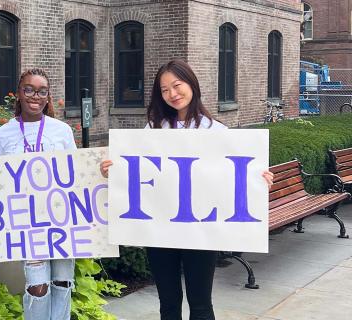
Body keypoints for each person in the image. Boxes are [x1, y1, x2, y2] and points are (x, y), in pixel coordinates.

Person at [100, 59, 274, 320]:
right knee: (168, 303)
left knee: (201, 303)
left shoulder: (217, 131)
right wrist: (113, 170)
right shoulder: (154, 129)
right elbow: (138, 172)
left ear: (192, 84)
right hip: (160, 229)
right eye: (164, 90)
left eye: (177, 85)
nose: (172, 94)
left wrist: (259, 180)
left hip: (201, 231)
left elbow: (232, 176)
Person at [0, 68, 77, 320]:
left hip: (61, 219)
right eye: (28, 89)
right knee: (37, 287)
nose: (35, 96)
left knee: (62, 282)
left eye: (42, 91)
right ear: (18, 93)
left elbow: (77, 174)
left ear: (48, 96)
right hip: (29, 223)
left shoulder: (61, 131)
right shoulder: (3, 133)